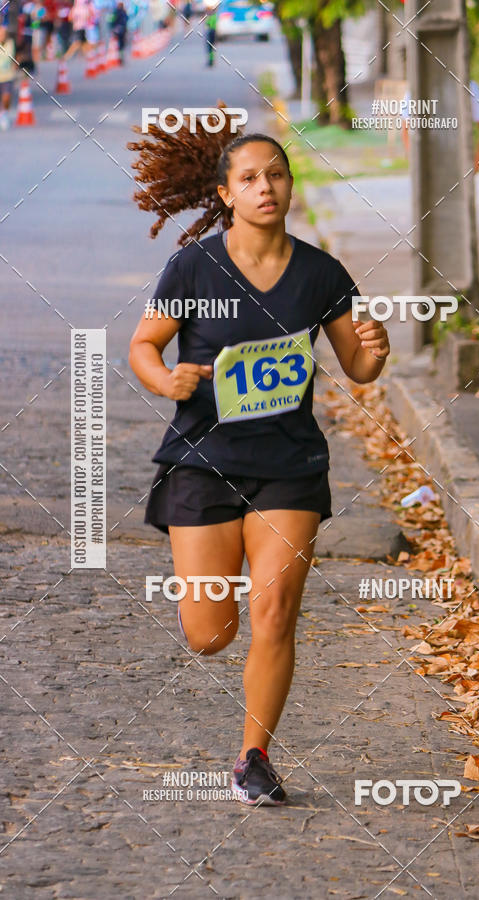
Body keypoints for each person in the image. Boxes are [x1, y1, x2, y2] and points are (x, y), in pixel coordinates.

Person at [127, 125, 390, 806]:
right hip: (202, 461)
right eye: (248, 178)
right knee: (209, 633)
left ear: (290, 186)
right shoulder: (193, 267)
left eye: (275, 175)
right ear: (225, 193)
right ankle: (210, 588)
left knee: (274, 609)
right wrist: (165, 381)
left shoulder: (320, 273)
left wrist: (375, 350)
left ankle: (254, 757)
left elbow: (357, 366)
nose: (265, 187)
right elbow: (143, 345)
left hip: (289, 463)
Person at [401, 80, 479, 172]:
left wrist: (475, 166)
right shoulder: (417, 87)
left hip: (459, 165)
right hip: (428, 166)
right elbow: (405, 128)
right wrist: (416, 163)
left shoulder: (469, 86)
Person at [0, 24, 17, 131]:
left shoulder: (10, 44)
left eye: (3, 34)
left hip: (7, 76)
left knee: (6, 97)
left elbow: (13, 58)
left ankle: (4, 114)